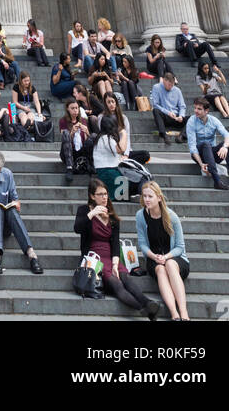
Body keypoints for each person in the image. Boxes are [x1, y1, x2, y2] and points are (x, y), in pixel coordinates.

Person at [74, 178, 159, 318]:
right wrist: (92, 213)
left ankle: (148, 302)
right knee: (116, 284)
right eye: (100, 194)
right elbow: (77, 229)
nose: (104, 197)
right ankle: (143, 309)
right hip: (95, 258)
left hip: (111, 256)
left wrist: (115, 263)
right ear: (92, 196)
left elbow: (114, 243)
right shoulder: (84, 211)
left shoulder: (111, 213)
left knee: (125, 278)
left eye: (106, 194)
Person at [136, 182, 190, 320]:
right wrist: (154, 257)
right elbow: (142, 244)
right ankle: (174, 314)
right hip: (154, 259)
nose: (147, 199)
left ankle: (184, 313)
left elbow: (179, 247)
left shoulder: (172, 216)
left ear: (159, 198)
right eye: (145, 196)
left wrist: (166, 257)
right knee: (160, 269)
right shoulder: (140, 216)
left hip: (175, 259)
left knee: (170, 264)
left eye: (150, 196)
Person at [185, 98, 229, 190]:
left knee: (227, 145)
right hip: (199, 154)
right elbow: (192, 147)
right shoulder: (191, 121)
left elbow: (228, 136)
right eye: (195, 108)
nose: (196, 111)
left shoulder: (214, 120)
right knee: (206, 144)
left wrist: (224, 147)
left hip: (211, 155)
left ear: (206, 111)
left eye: (199, 109)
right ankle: (217, 181)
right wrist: (201, 164)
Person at [59, 97, 92, 184]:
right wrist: (72, 132)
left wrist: (87, 132)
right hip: (68, 153)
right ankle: (69, 168)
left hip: (80, 151)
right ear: (67, 109)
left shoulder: (83, 121)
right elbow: (64, 139)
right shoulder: (63, 121)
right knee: (66, 133)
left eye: (76, 108)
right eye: (72, 108)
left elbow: (87, 140)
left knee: (93, 136)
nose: (75, 110)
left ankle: (90, 165)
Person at [151, 72, 188, 144]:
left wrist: (181, 116)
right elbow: (155, 104)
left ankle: (182, 136)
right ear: (164, 80)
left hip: (176, 117)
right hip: (165, 116)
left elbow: (182, 106)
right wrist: (168, 113)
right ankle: (164, 135)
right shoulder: (156, 87)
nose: (171, 87)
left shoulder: (177, 90)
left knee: (192, 118)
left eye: (172, 85)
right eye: (169, 85)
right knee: (155, 110)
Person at [12, 72, 44, 137]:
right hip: (20, 106)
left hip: (30, 106)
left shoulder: (32, 88)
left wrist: (39, 113)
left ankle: (27, 127)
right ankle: (28, 127)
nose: (27, 83)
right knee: (23, 117)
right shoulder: (16, 87)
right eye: (25, 81)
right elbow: (15, 101)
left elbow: (37, 102)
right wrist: (23, 108)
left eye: (28, 81)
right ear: (21, 80)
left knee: (30, 116)